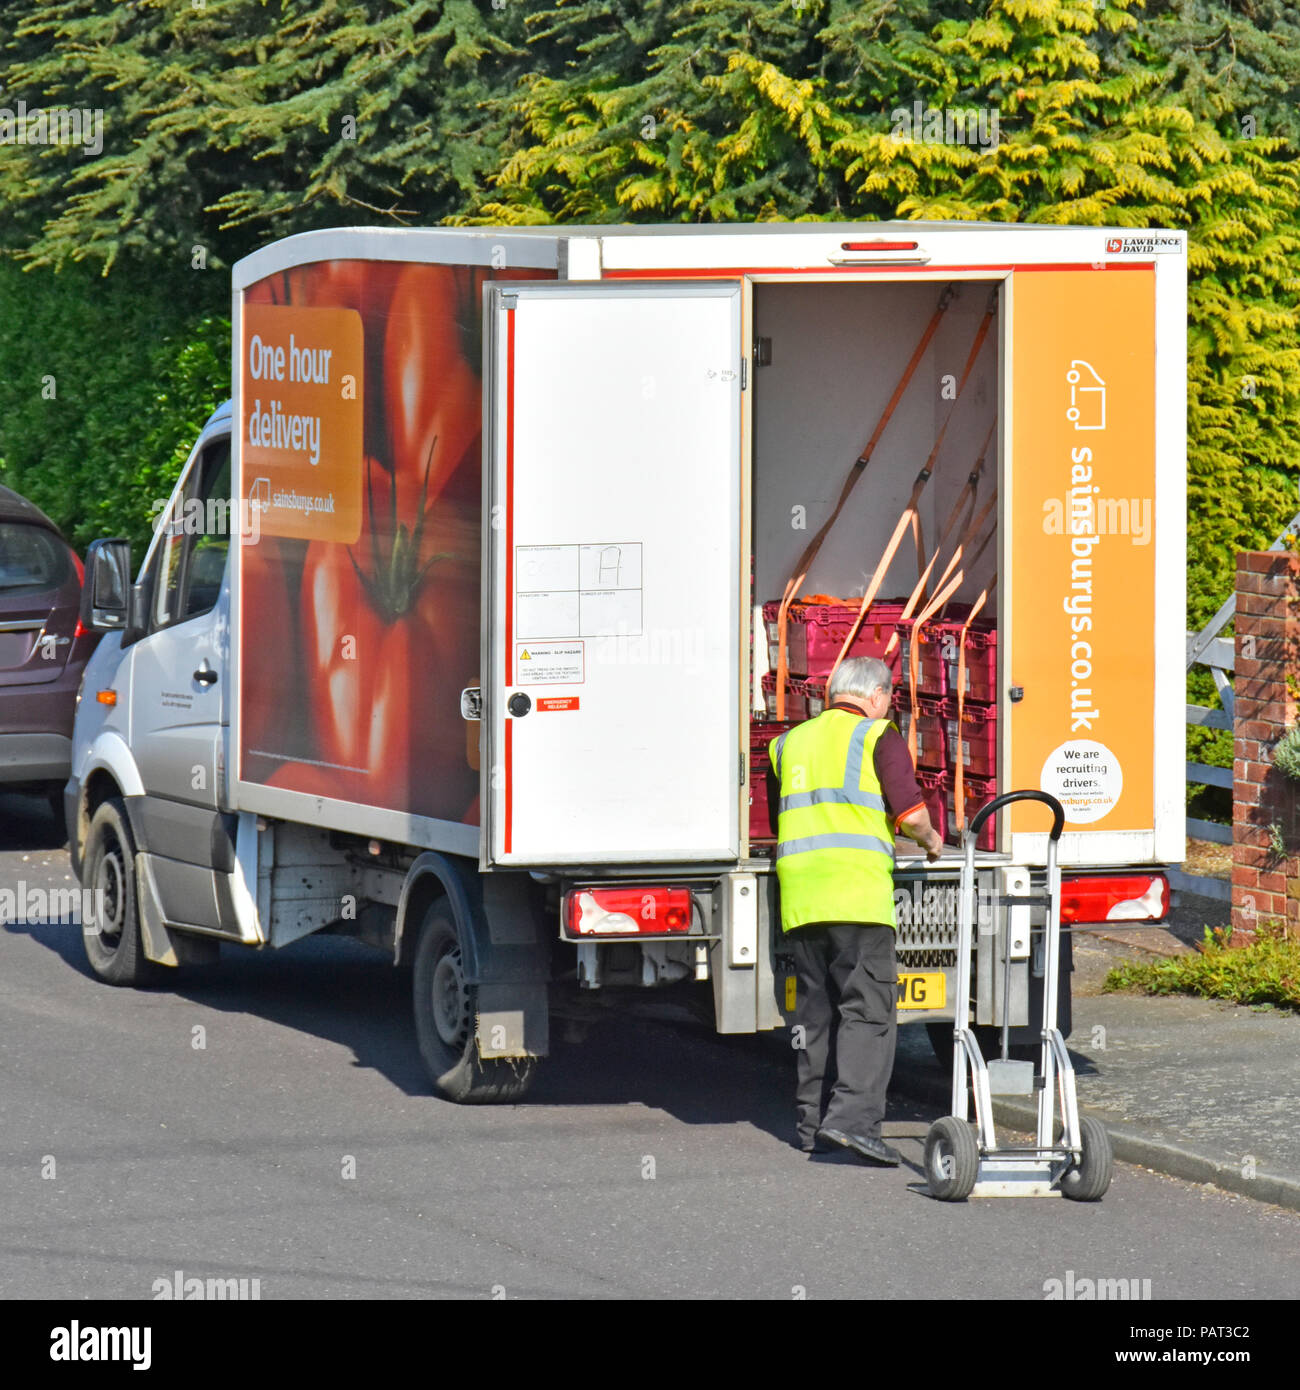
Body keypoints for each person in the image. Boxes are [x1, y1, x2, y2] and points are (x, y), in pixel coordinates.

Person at [768, 655, 943, 1164]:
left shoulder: (786, 744)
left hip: (800, 897)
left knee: (814, 1012)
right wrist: (931, 841)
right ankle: (854, 1124)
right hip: (857, 894)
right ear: (875, 695)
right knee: (867, 1010)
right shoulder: (876, 735)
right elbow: (910, 815)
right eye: (888, 697)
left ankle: (811, 1125)